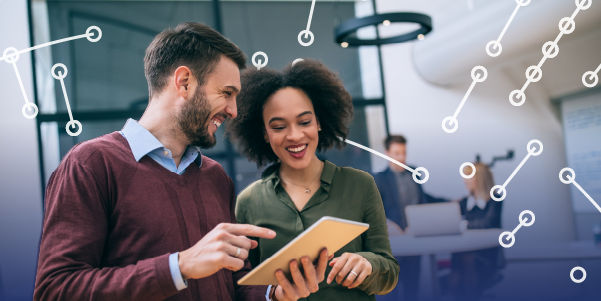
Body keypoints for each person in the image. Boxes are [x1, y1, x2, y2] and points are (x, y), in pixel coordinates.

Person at [34, 22, 327, 301]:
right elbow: (55, 289)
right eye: (226, 93)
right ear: (184, 82)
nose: (233, 110)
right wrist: (180, 266)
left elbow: (233, 284)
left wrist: (273, 293)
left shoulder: (215, 178)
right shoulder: (91, 164)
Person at [228, 59, 399, 300]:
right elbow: (242, 287)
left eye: (305, 122)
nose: (295, 135)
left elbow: (389, 272)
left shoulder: (360, 185)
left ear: (319, 122)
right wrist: (275, 294)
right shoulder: (249, 201)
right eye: (278, 127)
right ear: (264, 134)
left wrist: (368, 265)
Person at [373, 134, 447, 301]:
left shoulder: (415, 173)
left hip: (414, 238)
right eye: (397, 153)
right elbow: (375, 210)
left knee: (413, 286)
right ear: (387, 153)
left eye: (404, 152)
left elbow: (424, 200)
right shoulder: (380, 179)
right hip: (392, 243)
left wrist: (449, 202)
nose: (401, 157)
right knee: (391, 289)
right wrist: (388, 225)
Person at [449, 162, 504, 301]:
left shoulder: (495, 200)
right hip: (462, 253)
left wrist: (463, 225)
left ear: (480, 179)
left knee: (467, 257)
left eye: (469, 177)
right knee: (462, 256)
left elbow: (487, 223)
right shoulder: (464, 202)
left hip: (486, 255)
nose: (465, 180)